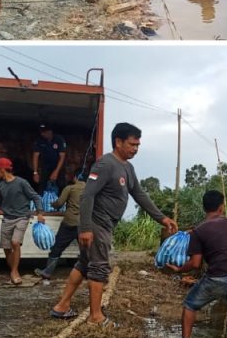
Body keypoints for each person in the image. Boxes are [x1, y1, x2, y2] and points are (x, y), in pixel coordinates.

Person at [51, 122, 177, 324]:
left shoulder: (127, 167)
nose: (135, 149)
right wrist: (85, 229)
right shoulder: (105, 164)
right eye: (132, 144)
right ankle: (96, 317)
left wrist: (161, 217)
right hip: (96, 224)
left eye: (138, 145)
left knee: (84, 264)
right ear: (118, 142)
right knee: (99, 268)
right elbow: (87, 196)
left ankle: (62, 306)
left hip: (104, 225)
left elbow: (138, 193)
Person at [168, 190, 227, 338]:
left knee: (189, 305)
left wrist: (179, 269)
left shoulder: (199, 231)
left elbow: (195, 264)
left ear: (204, 208)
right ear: (221, 208)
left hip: (217, 278)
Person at [0, 156, 45, 286]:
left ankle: (15, 272)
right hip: (7, 219)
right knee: (6, 247)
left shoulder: (21, 183)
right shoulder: (1, 186)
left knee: (15, 243)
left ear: (2, 170)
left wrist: (39, 213)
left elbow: (36, 197)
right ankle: (13, 271)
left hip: (22, 217)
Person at [35, 171, 86, 279]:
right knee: (85, 250)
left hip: (70, 222)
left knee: (57, 247)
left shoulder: (70, 188)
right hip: (84, 223)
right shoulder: (90, 189)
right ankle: (89, 274)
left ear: (75, 177)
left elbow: (59, 203)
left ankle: (47, 272)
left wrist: (52, 204)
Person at [32, 124, 67, 192]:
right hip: (45, 167)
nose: (42, 134)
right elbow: (35, 156)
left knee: (61, 186)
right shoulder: (39, 140)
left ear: (50, 131)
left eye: (44, 132)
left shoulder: (59, 139)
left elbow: (62, 156)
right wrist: (35, 172)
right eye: (41, 132)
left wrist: (56, 171)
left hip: (58, 167)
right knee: (42, 187)